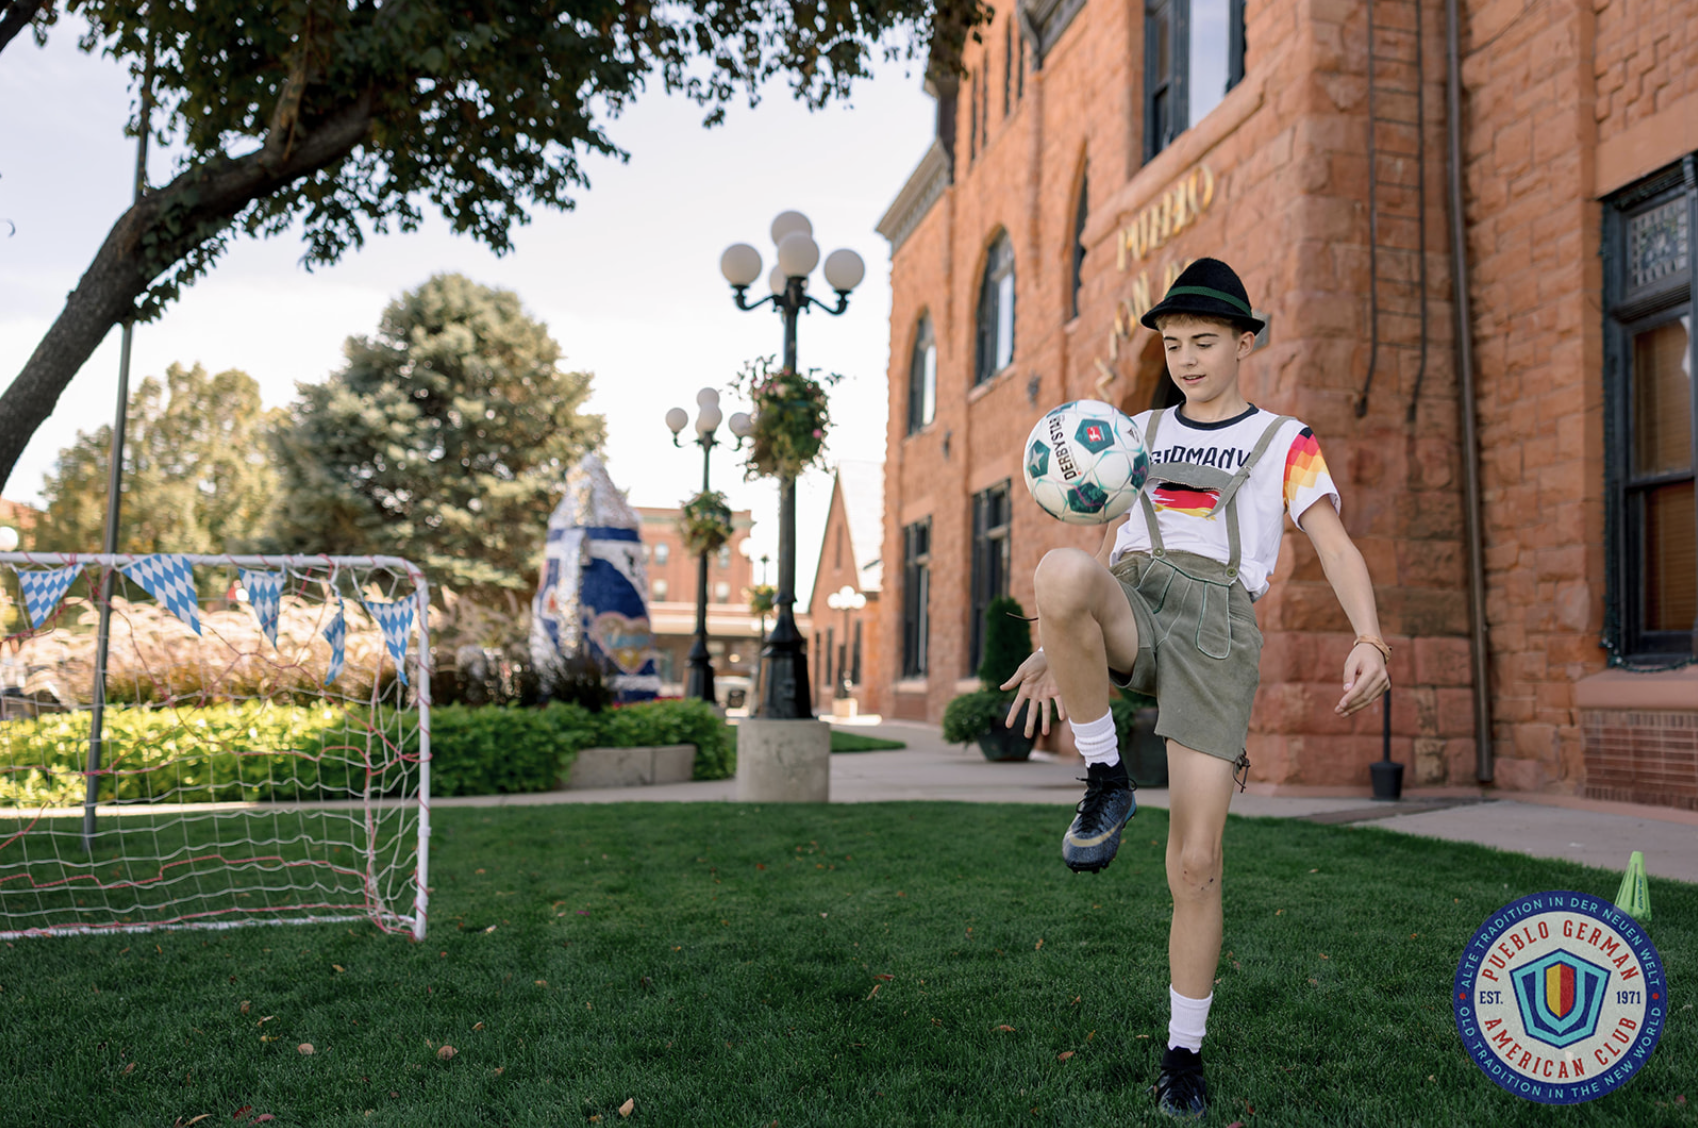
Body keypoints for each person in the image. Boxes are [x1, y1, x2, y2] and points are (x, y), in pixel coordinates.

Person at [999, 258, 1390, 1119]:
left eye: (1204, 342)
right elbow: (1096, 558)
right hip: (1137, 596)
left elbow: (1333, 545)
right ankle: (1105, 779)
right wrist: (1058, 638)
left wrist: (1369, 637)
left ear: (1245, 342)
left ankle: (1183, 1053)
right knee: (1059, 565)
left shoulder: (1286, 439)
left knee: (1197, 863)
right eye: (1173, 344)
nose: (1185, 358)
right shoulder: (1131, 431)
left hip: (1217, 630)